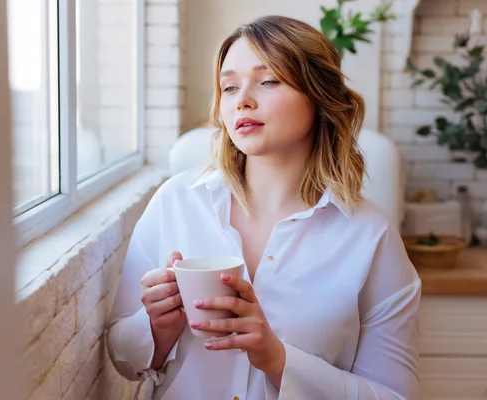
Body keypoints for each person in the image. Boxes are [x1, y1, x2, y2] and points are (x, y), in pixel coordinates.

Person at [107, 15, 421, 400]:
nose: (243, 100)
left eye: (268, 80)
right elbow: (121, 357)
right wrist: (156, 328)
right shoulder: (176, 202)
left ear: (319, 96)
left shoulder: (371, 234)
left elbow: (394, 396)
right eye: (229, 86)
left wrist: (276, 358)